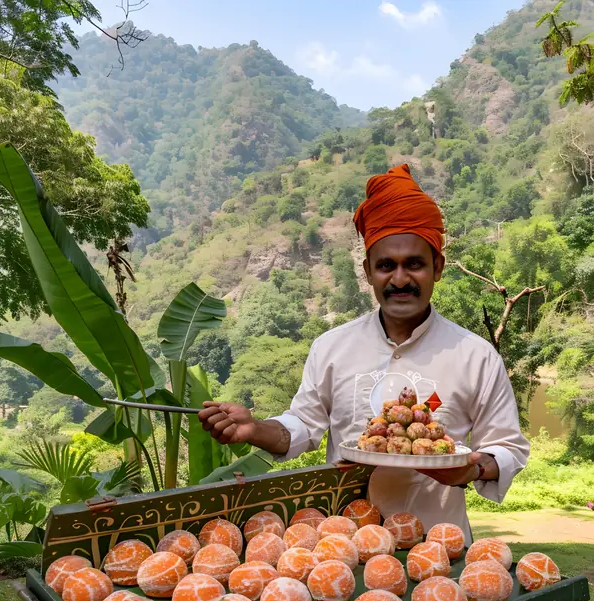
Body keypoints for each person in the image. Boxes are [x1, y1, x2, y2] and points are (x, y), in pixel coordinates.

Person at [199, 164, 529, 544]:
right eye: (386, 265)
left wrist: (471, 471)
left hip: (441, 549)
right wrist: (254, 429)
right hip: (344, 549)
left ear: (437, 268)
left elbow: (507, 447)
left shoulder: (476, 356)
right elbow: (303, 427)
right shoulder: (332, 347)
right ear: (368, 272)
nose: (401, 279)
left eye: (415, 264)